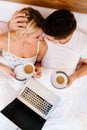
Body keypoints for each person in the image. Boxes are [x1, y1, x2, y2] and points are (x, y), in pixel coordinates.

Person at [0, 7, 47, 110]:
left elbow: (38, 62)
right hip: (4, 76)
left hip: (23, 81)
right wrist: (3, 67)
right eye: (37, 36)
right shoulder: (4, 40)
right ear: (24, 34)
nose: (41, 38)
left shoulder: (41, 46)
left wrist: (38, 67)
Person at [41, 9, 87, 87]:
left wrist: (73, 77)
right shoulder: (45, 29)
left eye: (48, 38)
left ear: (63, 39)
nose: (43, 37)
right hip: (40, 78)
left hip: (63, 84)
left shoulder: (82, 43)